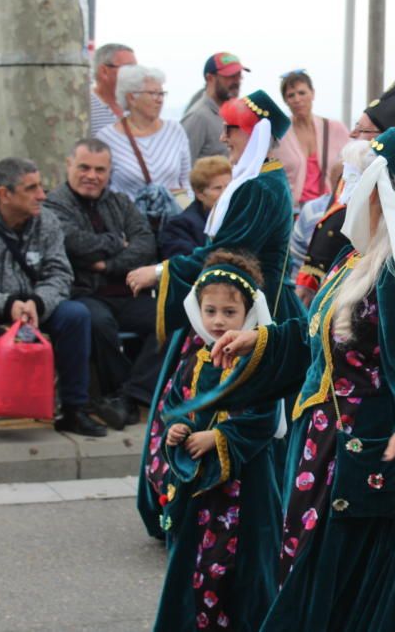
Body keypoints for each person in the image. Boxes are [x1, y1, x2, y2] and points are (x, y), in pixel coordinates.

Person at [180, 129, 395, 631]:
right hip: (322, 445)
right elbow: (321, 337)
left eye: (358, 181)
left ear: (382, 194)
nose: (347, 192)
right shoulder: (354, 260)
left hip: (366, 452)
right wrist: (261, 340)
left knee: (360, 584)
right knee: (314, 570)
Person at [130, 90, 305, 538]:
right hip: (234, 309)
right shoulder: (256, 183)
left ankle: (231, 516)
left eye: (232, 128)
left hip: (247, 315)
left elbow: (224, 256)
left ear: (254, 132)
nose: (223, 135)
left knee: (237, 410)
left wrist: (161, 270)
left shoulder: (261, 189)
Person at [149, 250, 282, 632]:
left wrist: (219, 437)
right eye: (211, 311)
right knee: (196, 560)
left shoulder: (257, 360)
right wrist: (177, 428)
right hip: (199, 486)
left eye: (229, 312)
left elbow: (264, 416)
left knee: (244, 561)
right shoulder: (196, 359)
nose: (219, 321)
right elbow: (175, 403)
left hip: (247, 484)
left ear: (249, 313)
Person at [45, 139, 160, 429]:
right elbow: (73, 242)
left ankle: (128, 396)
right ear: (69, 165)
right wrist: (117, 241)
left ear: (109, 172)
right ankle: (121, 394)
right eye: (84, 167)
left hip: (129, 291)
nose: (92, 176)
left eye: (100, 169)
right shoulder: (54, 204)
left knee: (172, 315)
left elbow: (146, 243)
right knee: (98, 323)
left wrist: (107, 264)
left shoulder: (120, 202)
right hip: (84, 293)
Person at [0, 158, 100, 436]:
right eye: (31, 188)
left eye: (41, 186)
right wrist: (7, 304)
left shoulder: (47, 221)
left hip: (36, 305)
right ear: (4, 194)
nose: (42, 195)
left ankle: (74, 410)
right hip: (0, 306)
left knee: (76, 315)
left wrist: (37, 303)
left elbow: (60, 273)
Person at [294, 77, 395, 305]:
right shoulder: (350, 177)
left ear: (382, 137)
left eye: (361, 128)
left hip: (357, 291)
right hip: (325, 286)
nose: (352, 134)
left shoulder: (390, 189)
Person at [95, 65, 192, 229]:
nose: (159, 99)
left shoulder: (175, 130)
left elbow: (186, 181)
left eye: (162, 93)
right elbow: (104, 189)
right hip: (130, 227)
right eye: (153, 93)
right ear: (131, 97)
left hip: (174, 225)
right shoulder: (107, 138)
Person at [272, 70, 349, 207]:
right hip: (292, 211)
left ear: (312, 93)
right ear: (285, 101)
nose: (297, 99)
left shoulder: (334, 128)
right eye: (291, 95)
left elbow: (354, 164)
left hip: (328, 208)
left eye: (302, 93)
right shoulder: (279, 134)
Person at [158, 156, 232, 259]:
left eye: (229, 186)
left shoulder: (241, 214)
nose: (226, 193)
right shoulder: (180, 226)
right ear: (199, 194)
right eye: (217, 188)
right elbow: (184, 264)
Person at [181, 53, 249, 163]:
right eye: (231, 75)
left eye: (239, 75)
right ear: (210, 78)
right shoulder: (198, 117)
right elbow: (182, 167)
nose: (237, 81)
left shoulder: (236, 114)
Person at [89, 43, 136, 136]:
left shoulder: (136, 106)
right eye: (129, 68)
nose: (136, 74)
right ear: (104, 71)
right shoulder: (84, 107)